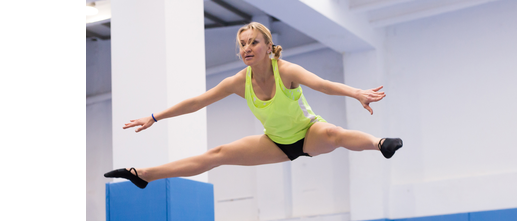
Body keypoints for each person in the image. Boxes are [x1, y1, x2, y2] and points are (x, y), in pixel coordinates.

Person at [105, 22, 403, 189]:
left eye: (253, 43)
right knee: (216, 154)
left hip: (309, 133)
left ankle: (380, 143)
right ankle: (143, 174)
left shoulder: (285, 71)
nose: (247, 48)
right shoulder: (239, 81)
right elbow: (197, 102)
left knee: (334, 134)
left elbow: (323, 84)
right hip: (274, 142)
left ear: (268, 47)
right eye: (243, 44)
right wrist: (155, 117)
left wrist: (357, 93)